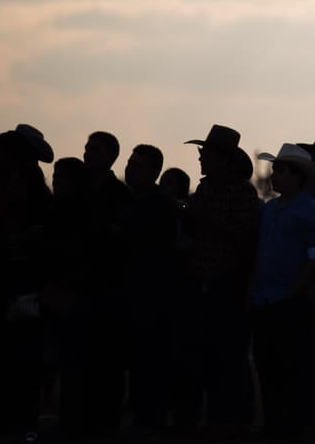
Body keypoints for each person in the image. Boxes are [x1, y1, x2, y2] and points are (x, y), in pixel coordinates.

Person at [173, 124, 258, 434]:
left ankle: (231, 418)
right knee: (203, 355)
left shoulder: (241, 193)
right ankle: (208, 417)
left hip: (229, 285)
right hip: (203, 283)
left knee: (228, 356)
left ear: (221, 158)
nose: (200, 159)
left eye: (204, 153)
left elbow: (244, 240)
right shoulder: (207, 189)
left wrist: (199, 218)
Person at [56, 131, 133, 437]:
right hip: (79, 289)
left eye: (95, 149)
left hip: (106, 291)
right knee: (75, 362)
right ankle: (76, 421)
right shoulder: (76, 191)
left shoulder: (118, 195)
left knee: (105, 363)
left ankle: (103, 423)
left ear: (111, 155)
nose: (88, 154)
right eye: (87, 148)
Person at [251, 144, 315, 438]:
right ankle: (277, 422)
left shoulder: (310, 212)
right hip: (267, 299)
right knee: (269, 365)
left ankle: (297, 424)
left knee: (294, 368)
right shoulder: (272, 209)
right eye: (276, 170)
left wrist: (294, 292)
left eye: (281, 170)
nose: (275, 175)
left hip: (290, 303)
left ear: (297, 176)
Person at [0, 124, 53, 443]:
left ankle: (17, 423)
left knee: (17, 363)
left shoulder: (21, 196)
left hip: (18, 291)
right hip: (6, 289)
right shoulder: (15, 193)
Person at [122, 143, 179, 433]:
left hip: (153, 299)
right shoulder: (126, 201)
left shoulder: (161, 206)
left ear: (155, 172)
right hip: (131, 297)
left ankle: (151, 422)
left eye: (139, 165)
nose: (131, 168)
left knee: (150, 366)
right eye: (131, 162)